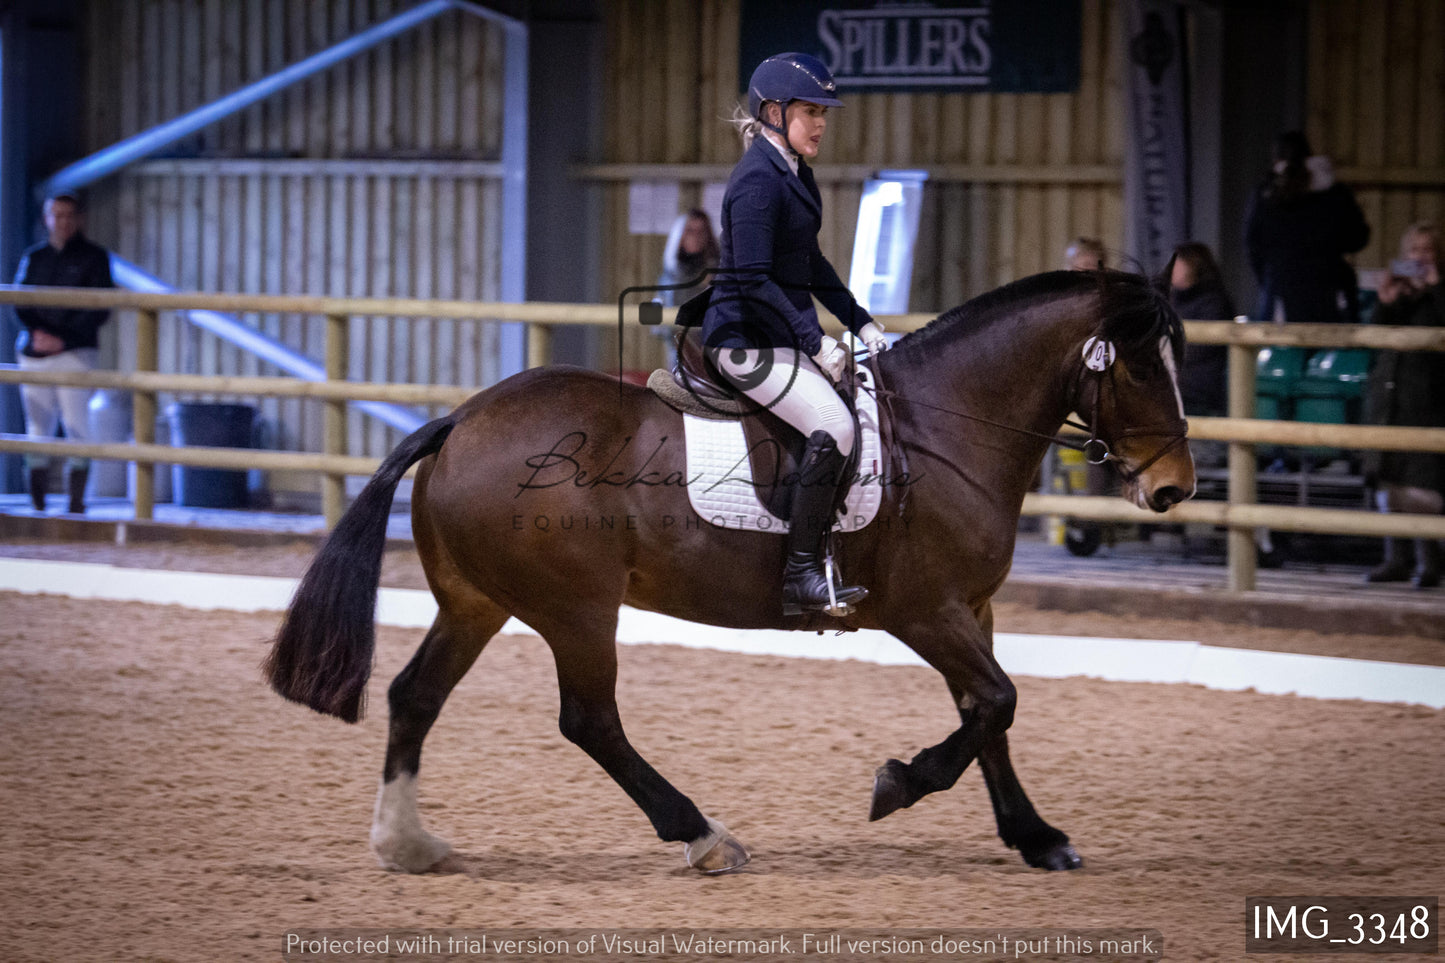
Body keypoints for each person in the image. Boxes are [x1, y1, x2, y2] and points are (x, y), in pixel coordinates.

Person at [702, 51, 887, 614]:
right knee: (835, 425)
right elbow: (753, 280)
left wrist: (861, 321)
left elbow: (810, 264)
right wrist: (816, 343)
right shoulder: (759, 180)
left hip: (776, 335)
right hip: (743, 339)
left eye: (824, 112)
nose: (822, 123)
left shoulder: (796, 174)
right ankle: (800, 575)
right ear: (774, 112)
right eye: (811, 112)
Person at [13, 191, 115, 514]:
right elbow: (19, 301)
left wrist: (64, 339)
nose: (62, 221)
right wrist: (37, 334)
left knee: (76, 424)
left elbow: (100, 308)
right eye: (56, 215)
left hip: (75, 351)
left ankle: (75, 502)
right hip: (35, 350)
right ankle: (38, 502)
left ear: (79, 218)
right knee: (37, 424)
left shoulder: (95, 258)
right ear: (46, 219)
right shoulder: (34, 257)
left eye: (68, 215)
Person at [1362, 222, 1445, 589]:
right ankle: (1394, 558)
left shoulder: (1440, 293)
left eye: (1426, 251)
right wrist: (1386, 299)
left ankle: (1429, 563)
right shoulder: (1402, 295)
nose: (1419, 258)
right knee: (1388, 483)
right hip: (1388, 401)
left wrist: (1436, 287)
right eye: (1414, 251)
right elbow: (1374, 335)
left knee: (1422, 488)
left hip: (1427, 402)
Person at [1245, 131, 1370, 324]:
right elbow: (1358, 237)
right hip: (1330, 286)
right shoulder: (1335, 192)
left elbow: (1252, 244)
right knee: (1331, 349)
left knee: (1279, 350)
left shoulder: (1266, 193)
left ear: (1276, 158)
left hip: (1281, 288)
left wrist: (1269, 277)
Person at [1169, 242, 1235, 417]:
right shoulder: (1169, 300)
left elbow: (1201, 351)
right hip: (1170, 382)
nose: (1171, 268)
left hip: (1198, 389)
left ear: (1194, 266)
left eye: (1177, 263)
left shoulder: (1214, 302)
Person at [657, 209, 719, 307]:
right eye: (690, 231)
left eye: (701, 231)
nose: (696, 236)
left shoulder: (716, 272)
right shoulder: (671, 272)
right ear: (679, 235)